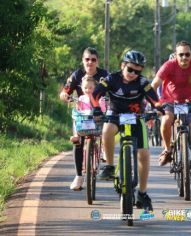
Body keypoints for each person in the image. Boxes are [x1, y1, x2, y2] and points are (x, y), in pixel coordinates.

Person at [90, 50, 161, 211]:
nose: (133, 74)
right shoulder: (111, 79)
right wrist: (96, 108)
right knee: (107, 129)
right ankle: (108, 166)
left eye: (137, 71)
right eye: (130, 69)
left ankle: (142, 193)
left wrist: (158, 108)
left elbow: (154, 99)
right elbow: (95, 94)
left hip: (135, 117)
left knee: (144, 154)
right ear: (123, 65)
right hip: (115, 115)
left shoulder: (142, 82)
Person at [151, 40, 191, 184]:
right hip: (170, 102)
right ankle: (168, 150)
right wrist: (155, 103)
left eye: (187, 54)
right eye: (181, 55)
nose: (184, 58)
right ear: (176, 55)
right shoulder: (168, 65)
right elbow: (154, 84)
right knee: (167, 120)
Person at [59, 47, 109, 191]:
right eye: (87, 59)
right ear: (83, 60)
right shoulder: (76, 75)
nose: (90, 62)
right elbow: (65, 90)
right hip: (83, 113)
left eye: (93, 60)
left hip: (100, 113)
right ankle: (79, 176)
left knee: (108, 129)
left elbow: (114, 88)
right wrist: (64, 95)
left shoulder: (104, 75)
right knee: (78, 141)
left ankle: (104, 150)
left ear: (97, 61)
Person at [70, 75, 106, 143]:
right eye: (85, 88)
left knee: (103, 123)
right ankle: (76, 135)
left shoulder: (98, 98)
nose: (88, 90)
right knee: (75, 116)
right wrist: (78, 105)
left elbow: (103, 110)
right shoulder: (81, 98)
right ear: (82, 88)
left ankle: (104, 143)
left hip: (96, 122)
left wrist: (101, 104)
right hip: (85, 122)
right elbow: (79, 112)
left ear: (95, 88)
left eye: (90, 88)